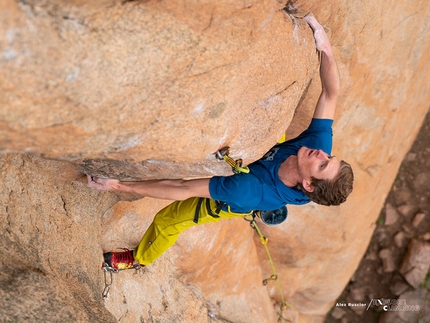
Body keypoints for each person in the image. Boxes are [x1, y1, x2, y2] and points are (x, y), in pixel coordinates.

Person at [88, 14, 354, 271]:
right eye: (329, 158)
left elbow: (182, 187)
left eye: (322, 164)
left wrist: (121, 185)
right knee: (274, 131)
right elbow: (331, 94)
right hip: (271, 169)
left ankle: (140, 259)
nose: (322, 154)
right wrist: (325, 47)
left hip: (246, 192)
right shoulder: (316, 148)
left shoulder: (248, 190)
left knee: (169, 220)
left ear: (308, 183)